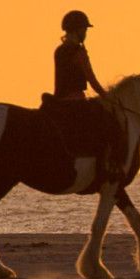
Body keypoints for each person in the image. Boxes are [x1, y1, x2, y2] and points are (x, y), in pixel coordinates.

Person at [46, 10, 119, 169]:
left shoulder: (59, 50)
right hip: (76, 101)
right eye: (84, 29)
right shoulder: (78, 52)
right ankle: (103, 168)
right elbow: (91, 79)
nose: (85, 33)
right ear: (77, 30)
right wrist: (106, 96)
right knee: (106, 127)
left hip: (59, 100)